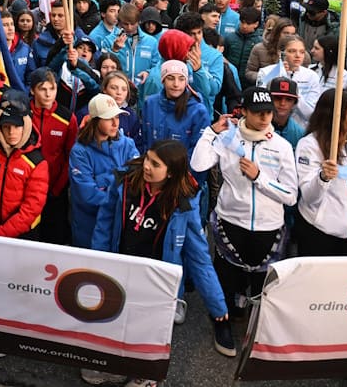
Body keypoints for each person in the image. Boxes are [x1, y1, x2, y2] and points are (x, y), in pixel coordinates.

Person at [92, 139, 236, 366]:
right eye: (147, 159)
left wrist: (217, 306)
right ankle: (108, 366)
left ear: (171, 173)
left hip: (155, 281)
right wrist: (98, 266)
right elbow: (103, 226)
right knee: (114, 323)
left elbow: (199, 259)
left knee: (146, 335)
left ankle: (143, 375)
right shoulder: (125, 182)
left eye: (155, 164)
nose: (147, 166)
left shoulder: (184, 204)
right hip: (121, 270)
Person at [191, 86, 297, 317]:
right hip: (231, 220)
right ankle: (223, 319)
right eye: (258, 112)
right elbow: (198, 165)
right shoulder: (227, 138)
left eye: (268, 112)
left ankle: (256, 324)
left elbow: (290, 195)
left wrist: (260, 178)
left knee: (261, 283)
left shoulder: (282, 146)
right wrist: (210, 132)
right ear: (244, 111)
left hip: (267, 226)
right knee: (228, 278)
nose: (264, 118)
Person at [293, 89, 347, 256]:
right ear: (334, 116)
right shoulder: (310, 145)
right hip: (321, 234)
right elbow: (309, 197)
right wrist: (323, 177)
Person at [70, 93, 140, 247]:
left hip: (120, 228)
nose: (115, 123)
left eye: (117, 117)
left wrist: (102, 181)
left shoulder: (128, 144)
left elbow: (136, 181)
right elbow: (87, 194)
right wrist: (118, 185)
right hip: (89, 227)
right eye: (109, 118)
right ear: (95, 121)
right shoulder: (80, 151)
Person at [0, 90, 49, 239]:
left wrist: (1, 233)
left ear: (26, 124)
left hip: (23, 235)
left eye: (17, 126)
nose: (11, 132)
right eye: (6, 126)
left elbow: (31, 209)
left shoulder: (36, 162)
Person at [26, 68, 78, 245]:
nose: (48, 94)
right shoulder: (23, 114)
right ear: (33, 90)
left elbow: (70, 156)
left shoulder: (67, 118)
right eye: (43, 89)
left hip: (55, 191)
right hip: (25, 191)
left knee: (53, 238)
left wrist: (57, 188)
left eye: (52, 89)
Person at [255, 34, 320, 125]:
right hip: (271, 126)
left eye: (302, 52)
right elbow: (261, 104)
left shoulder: (312, 76)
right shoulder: (266, 72)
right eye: (292, 51)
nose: (298, 56)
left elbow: (310, 114)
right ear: (280, 53)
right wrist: (280, 74)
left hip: (300, 128)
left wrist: (293, 90)